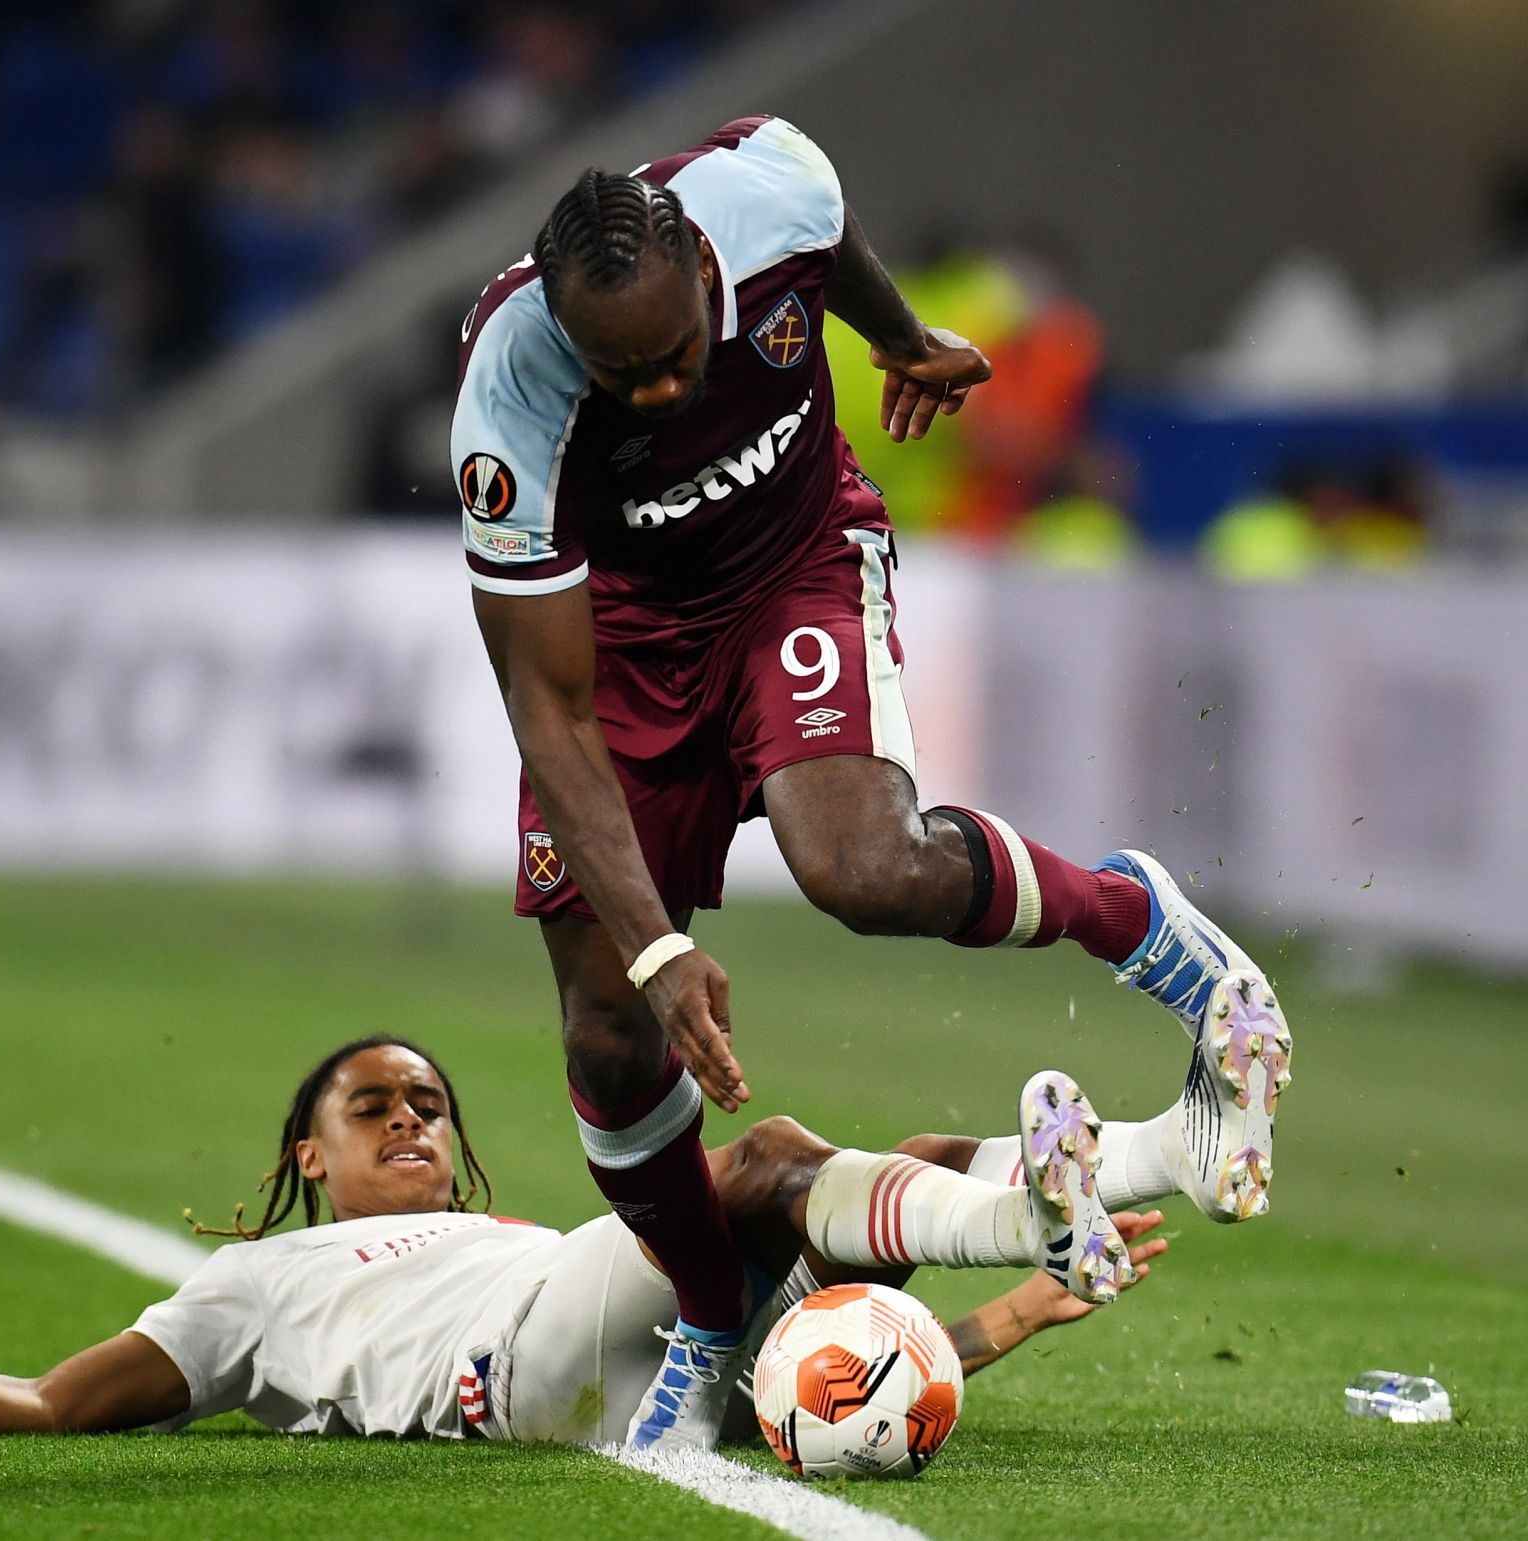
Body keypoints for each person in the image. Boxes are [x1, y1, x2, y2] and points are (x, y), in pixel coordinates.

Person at [449, 115, 1293, 1448]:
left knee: (864, 866)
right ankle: (717, 1318)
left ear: (707, 276)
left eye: (675, 359)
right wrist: (660, 945)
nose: (660, 396)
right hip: (620, 649)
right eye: (625, 378)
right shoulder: (511, 386)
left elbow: (830, 248)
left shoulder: (774, 186)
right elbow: (548, 712)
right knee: (610, 1034)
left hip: (793, 565)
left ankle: (1140, 920)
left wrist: (896, 339)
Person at [0, 1036, 1173, 1448]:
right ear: (305, 1154)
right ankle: (1047, 1191)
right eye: (373, 1106)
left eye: (430, 1104)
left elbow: (818, 1368)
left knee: (896, 1160)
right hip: (518, 1366)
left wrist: (1005, 1324)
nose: (411, 1122)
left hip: (654, 1377)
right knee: (770, 1160)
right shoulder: (249, 1285)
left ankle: (1146, 1160)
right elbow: (40, 1402)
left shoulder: (511, 1227)